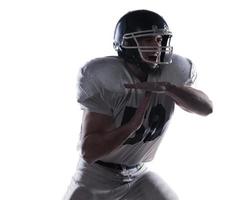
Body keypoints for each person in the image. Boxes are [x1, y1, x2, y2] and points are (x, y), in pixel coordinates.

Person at [64, 9, 213, 200]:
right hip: (96, 177)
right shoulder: (108, 77)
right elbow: (90, 151)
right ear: (127, 44)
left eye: (159, 40)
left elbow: (206, 108)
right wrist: (130, 127)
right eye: (148, 40)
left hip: (137, 174)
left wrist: (170, 89)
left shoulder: (170, 74)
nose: (157, 47)